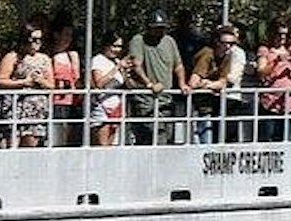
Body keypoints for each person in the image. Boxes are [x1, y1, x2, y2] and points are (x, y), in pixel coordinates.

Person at [127, 12, 189, 144]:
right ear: (148, 28)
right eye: (156, 28)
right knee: (153, 136)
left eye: (162, 27)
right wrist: (149, 84)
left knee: (168, 135)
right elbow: (136, 65)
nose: (159, 31)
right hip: (146, 100)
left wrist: (182, 83)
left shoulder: (169, 41)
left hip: (166, 100)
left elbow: (178, 65)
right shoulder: (138, 40)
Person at [0, 21, 54, 148]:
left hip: (35, 110)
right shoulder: (12, 57)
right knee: (11, 146)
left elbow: (51, 85)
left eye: (40, 39)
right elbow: (1, 80)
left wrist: (40, 80)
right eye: (34, 39)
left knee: (30, 147)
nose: (38, 43)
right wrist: (23, 82)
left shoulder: (45, 59)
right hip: (15, 108)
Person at [189, 24, 246, 144]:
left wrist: (209, 84)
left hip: (214, 102)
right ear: (216, 42)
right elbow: (193, 82)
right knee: (206, 139)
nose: (228, 46)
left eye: (232, 44)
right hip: (202, 106)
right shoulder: (207, 54)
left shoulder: (228, 56)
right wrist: (207, 84)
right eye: (224, 43)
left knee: (221, 138)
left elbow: (224, 82)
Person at [255, 17, 291, 142]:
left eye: (285, 34)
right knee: (268, 139)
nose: (282, 37)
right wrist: (276, 61)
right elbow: (261, 72)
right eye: (279, 34)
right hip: (270, 101)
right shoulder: (265, 50)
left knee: (289, 138)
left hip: (289, 100)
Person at [88, 29, 130, 148]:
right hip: (101, 107)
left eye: (119, 47)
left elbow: (128, 85)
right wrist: (116, 68)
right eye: (114, 46)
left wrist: (126, 72)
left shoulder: (117, 61)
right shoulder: (97, 60)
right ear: (106, 45)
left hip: (116, 107)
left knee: (112, 146)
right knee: (102, 146)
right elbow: (99, 83)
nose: (117, 50)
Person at [48, 15, 82, 147]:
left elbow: (77, 77)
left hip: (71, 101)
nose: (69, 39)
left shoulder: (72, 55)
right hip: (55, 101)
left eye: (70, 35)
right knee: (56, 135)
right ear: (57, 35)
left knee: (72, 135)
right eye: (66, 34)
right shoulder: (49, 55)